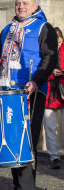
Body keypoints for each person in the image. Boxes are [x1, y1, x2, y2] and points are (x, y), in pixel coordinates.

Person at [0, 0, 58, 190]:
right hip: (9, 91)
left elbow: (50, 57)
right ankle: (19, 185)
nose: (21, 7)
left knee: (26, 141)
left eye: (26, 3)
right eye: (18, 3)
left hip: (32, 90)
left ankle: (26, 186)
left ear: (35, 6)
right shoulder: (8, 29)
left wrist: (36, 81)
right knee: (12, 137)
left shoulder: (44, 28)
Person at [43, 27, 64, 169]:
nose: (56, 45)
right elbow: (40, 70)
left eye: (58, 42)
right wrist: (51, 73)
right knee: (49, 127)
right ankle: (54, 155)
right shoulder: (45, 51)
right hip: (50, 95)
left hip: (62, 92)